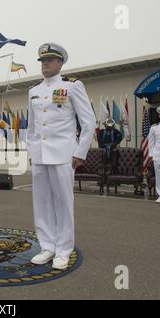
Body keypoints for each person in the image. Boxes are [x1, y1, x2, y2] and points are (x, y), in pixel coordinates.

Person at [27, 43, 96, 270]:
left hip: (64, 154)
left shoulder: (73, 86)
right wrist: (31, 151)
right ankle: (47, 246)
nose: (45, 63)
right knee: (42, 203)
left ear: (60, 62)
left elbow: (88, 122)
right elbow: (32, 127)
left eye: (50, 59)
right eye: (42, 60)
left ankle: (64, 250)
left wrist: (80, 153)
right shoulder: (33, 91)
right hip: (40, 155)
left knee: (63, 204)